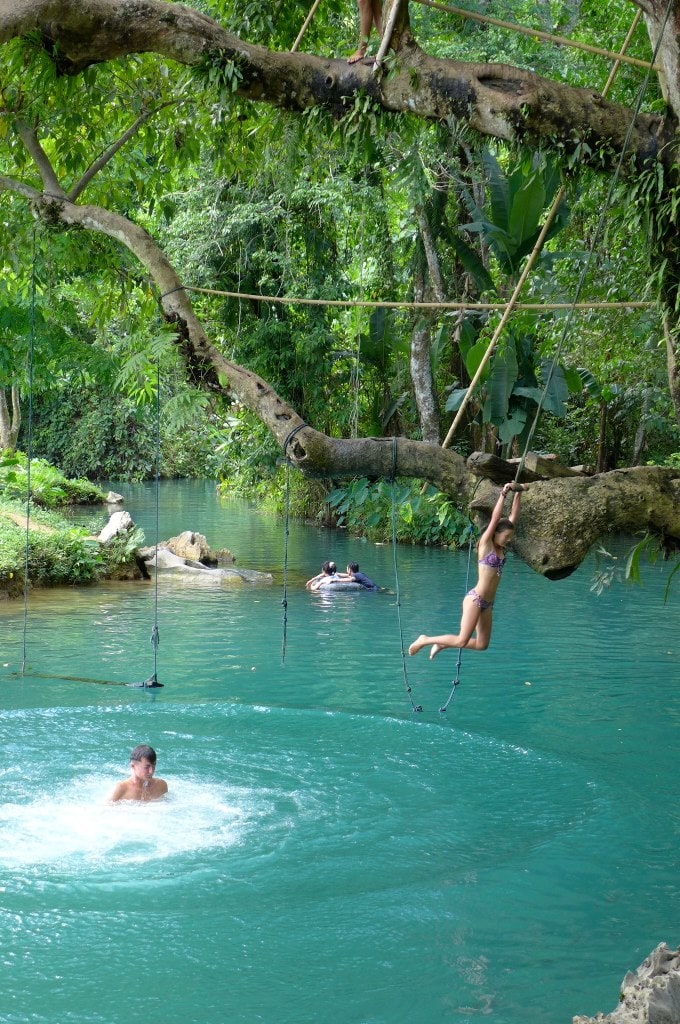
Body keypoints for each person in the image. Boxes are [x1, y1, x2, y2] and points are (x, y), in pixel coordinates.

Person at [408, 482, 527, 658]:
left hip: (488, 604)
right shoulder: (486, 545)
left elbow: (512, 518)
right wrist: (504, 494)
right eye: (506, 536)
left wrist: (519, 492)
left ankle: (443, 644)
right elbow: (495, 519)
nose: (509, 539)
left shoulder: (501, 549)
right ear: (495, 533)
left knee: (482, 645)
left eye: (510, 536)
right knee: (461, 640)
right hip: (476, 600)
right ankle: (425, 640)